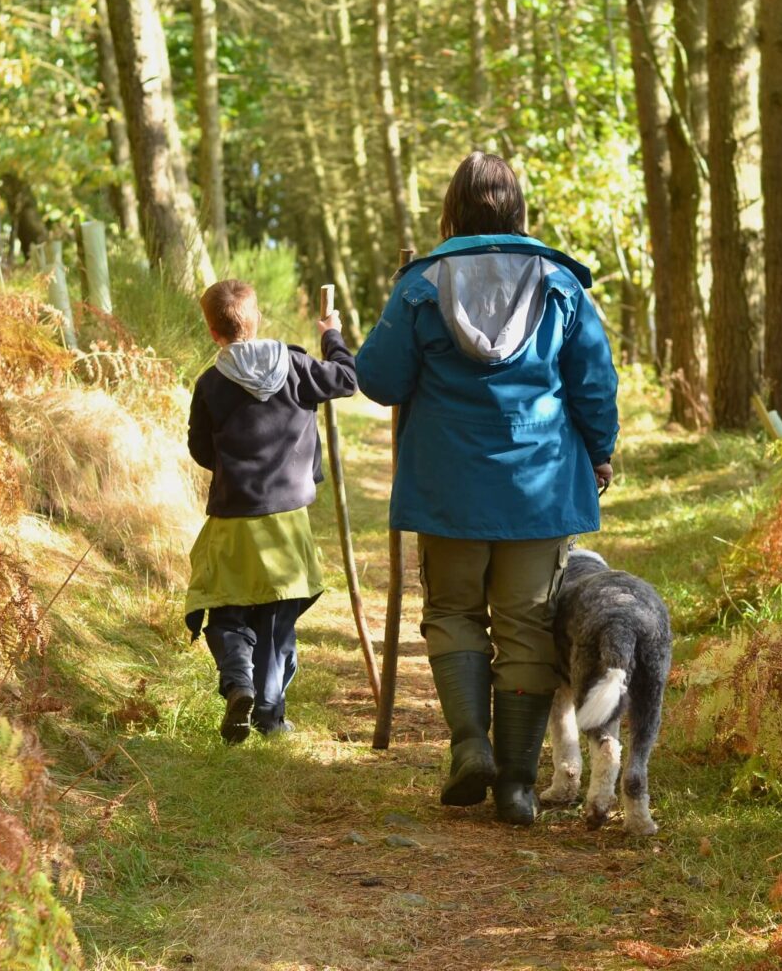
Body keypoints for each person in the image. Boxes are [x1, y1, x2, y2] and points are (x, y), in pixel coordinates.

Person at [356, 152, 618, 824]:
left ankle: (471, 744)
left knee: (453, 613)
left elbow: (379, 379)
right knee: (527, 624)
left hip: (448, 485)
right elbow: (593, 381)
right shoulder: (560, 284)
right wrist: (600, 452)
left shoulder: (421, 285)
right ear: (518, 210)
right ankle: (517, 785)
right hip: (539, 485)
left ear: (452, 212)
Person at [185, 279, 356, 744]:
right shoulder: (297, 366)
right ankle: (268, 714)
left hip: (233, 518)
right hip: (287, 518)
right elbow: (346, 378)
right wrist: (332, 335)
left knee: (226, 610)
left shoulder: (210, 384)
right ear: (257, 318)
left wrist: (232, 470)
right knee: (277, 617)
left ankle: (238, 682)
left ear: (213, 332)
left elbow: (200, 448)